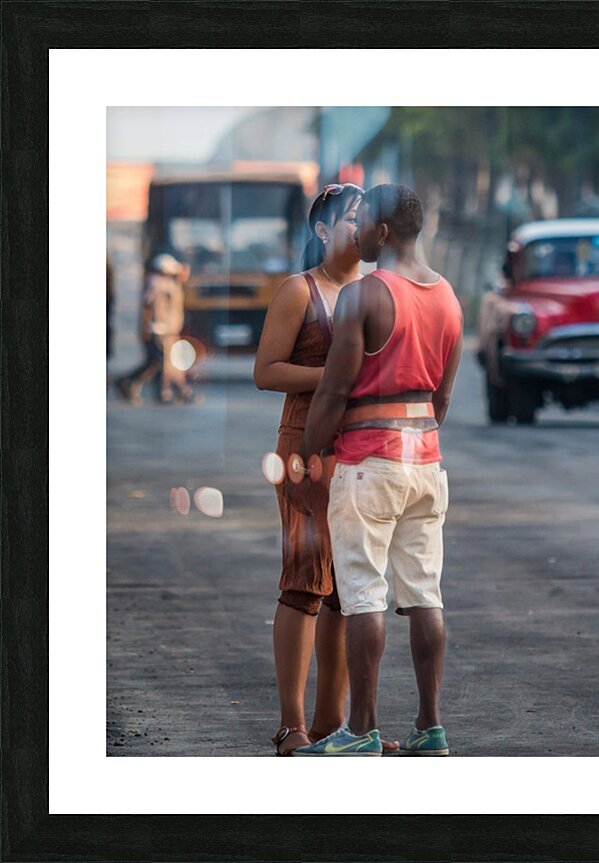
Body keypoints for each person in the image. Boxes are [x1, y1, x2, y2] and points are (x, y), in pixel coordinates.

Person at [293, 184, 463, 757]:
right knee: (425, 596)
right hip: (427, 465)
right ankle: (429, 727)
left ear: (383, 234)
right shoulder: (448, 298)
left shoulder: (363, 296)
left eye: (363, 221)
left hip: (368, 464)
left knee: (363, 595)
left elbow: (335, 390)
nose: (356, 230)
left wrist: (307, 454)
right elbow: (441, 399)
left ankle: (360, 731)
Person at [253, 183, 398, 756]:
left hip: (360, 453)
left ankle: (333, 725)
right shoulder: (299, 291)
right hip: (305, 453)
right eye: (352, 219)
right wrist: (336, 378)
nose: (363, 229)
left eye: (369, 219)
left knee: (347, 591)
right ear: (322, 230)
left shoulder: (375, 292)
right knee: (303, 584)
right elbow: (266, 372)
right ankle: (292, 726)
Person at [115, 254, 195, 405]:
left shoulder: (169, 283)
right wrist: (145, 327)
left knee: (162, 363)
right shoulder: (156, 283)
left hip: (168, 331)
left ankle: (179, 391)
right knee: (159, 362)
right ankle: (158, 391)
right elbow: (147, 305)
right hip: (157, 330)